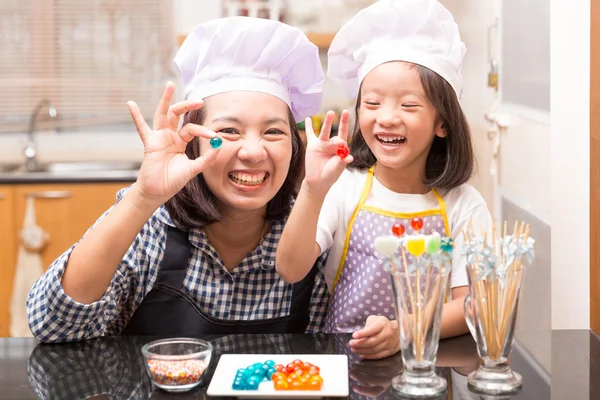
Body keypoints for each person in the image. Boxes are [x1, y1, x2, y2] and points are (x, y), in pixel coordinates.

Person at [26, 16, 329, 342]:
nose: (253, 152)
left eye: (273, 131)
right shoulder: (154, 223)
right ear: (194, 139)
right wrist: (143, 198)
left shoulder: (315, 230)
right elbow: (55, 325)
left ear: (295, 146)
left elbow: (333, 349)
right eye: (228, 131)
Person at [276, 0, 493, 360]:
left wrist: (403, 330)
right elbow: (290, 268)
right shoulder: (344, 187)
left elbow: (474, 302)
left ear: (443, 123)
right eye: (372, 104)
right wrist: (313, 190)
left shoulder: (463, 204)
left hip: (429, 369)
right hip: (343, 364)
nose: (387, 118)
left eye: (409, 105)